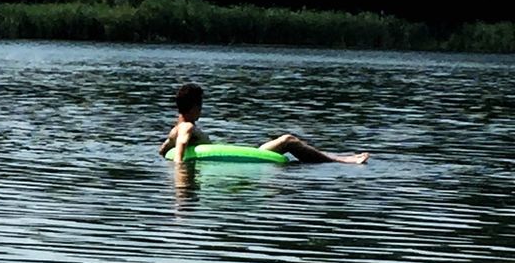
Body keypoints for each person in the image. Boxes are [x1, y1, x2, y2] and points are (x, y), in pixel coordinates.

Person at [158, 82, 369, 164]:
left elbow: (162, 150)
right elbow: (181, 146)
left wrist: (172, 154)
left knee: (288, 140)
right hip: (251, 163)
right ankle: (343, 160)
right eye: (201, 105)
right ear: (195, 107)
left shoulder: (175, 128)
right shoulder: (186, 127)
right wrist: (180, 168)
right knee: (288, 140)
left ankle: (340, 158)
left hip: (248, 155)